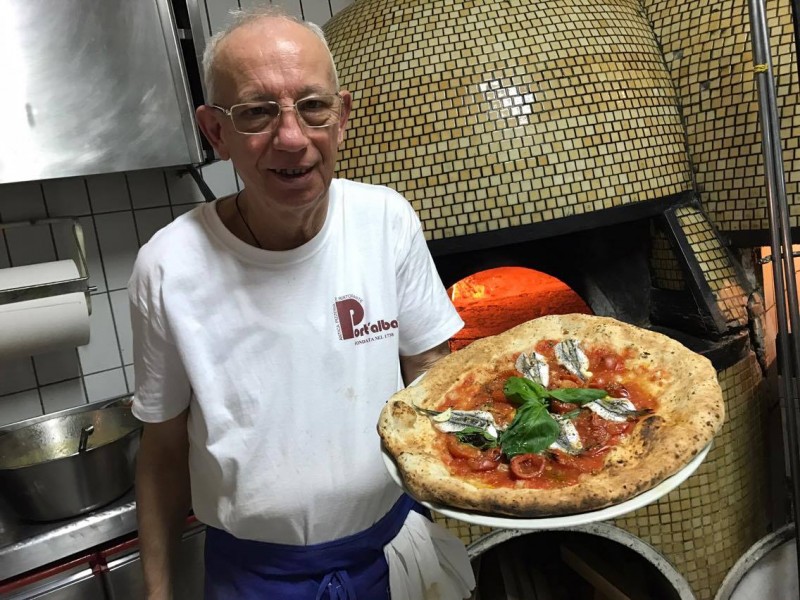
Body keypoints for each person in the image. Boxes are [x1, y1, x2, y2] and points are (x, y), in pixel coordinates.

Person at [129, 6, 476, 600]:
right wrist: (158, 593)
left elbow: (434, 382)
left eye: (312, 106)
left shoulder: (385, 220)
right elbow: (161, 452)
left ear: (341, 117)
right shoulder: (169, 266)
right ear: (217, 132)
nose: (291, 138)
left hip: (395, 553)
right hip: (256, 579)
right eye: (257, 112)